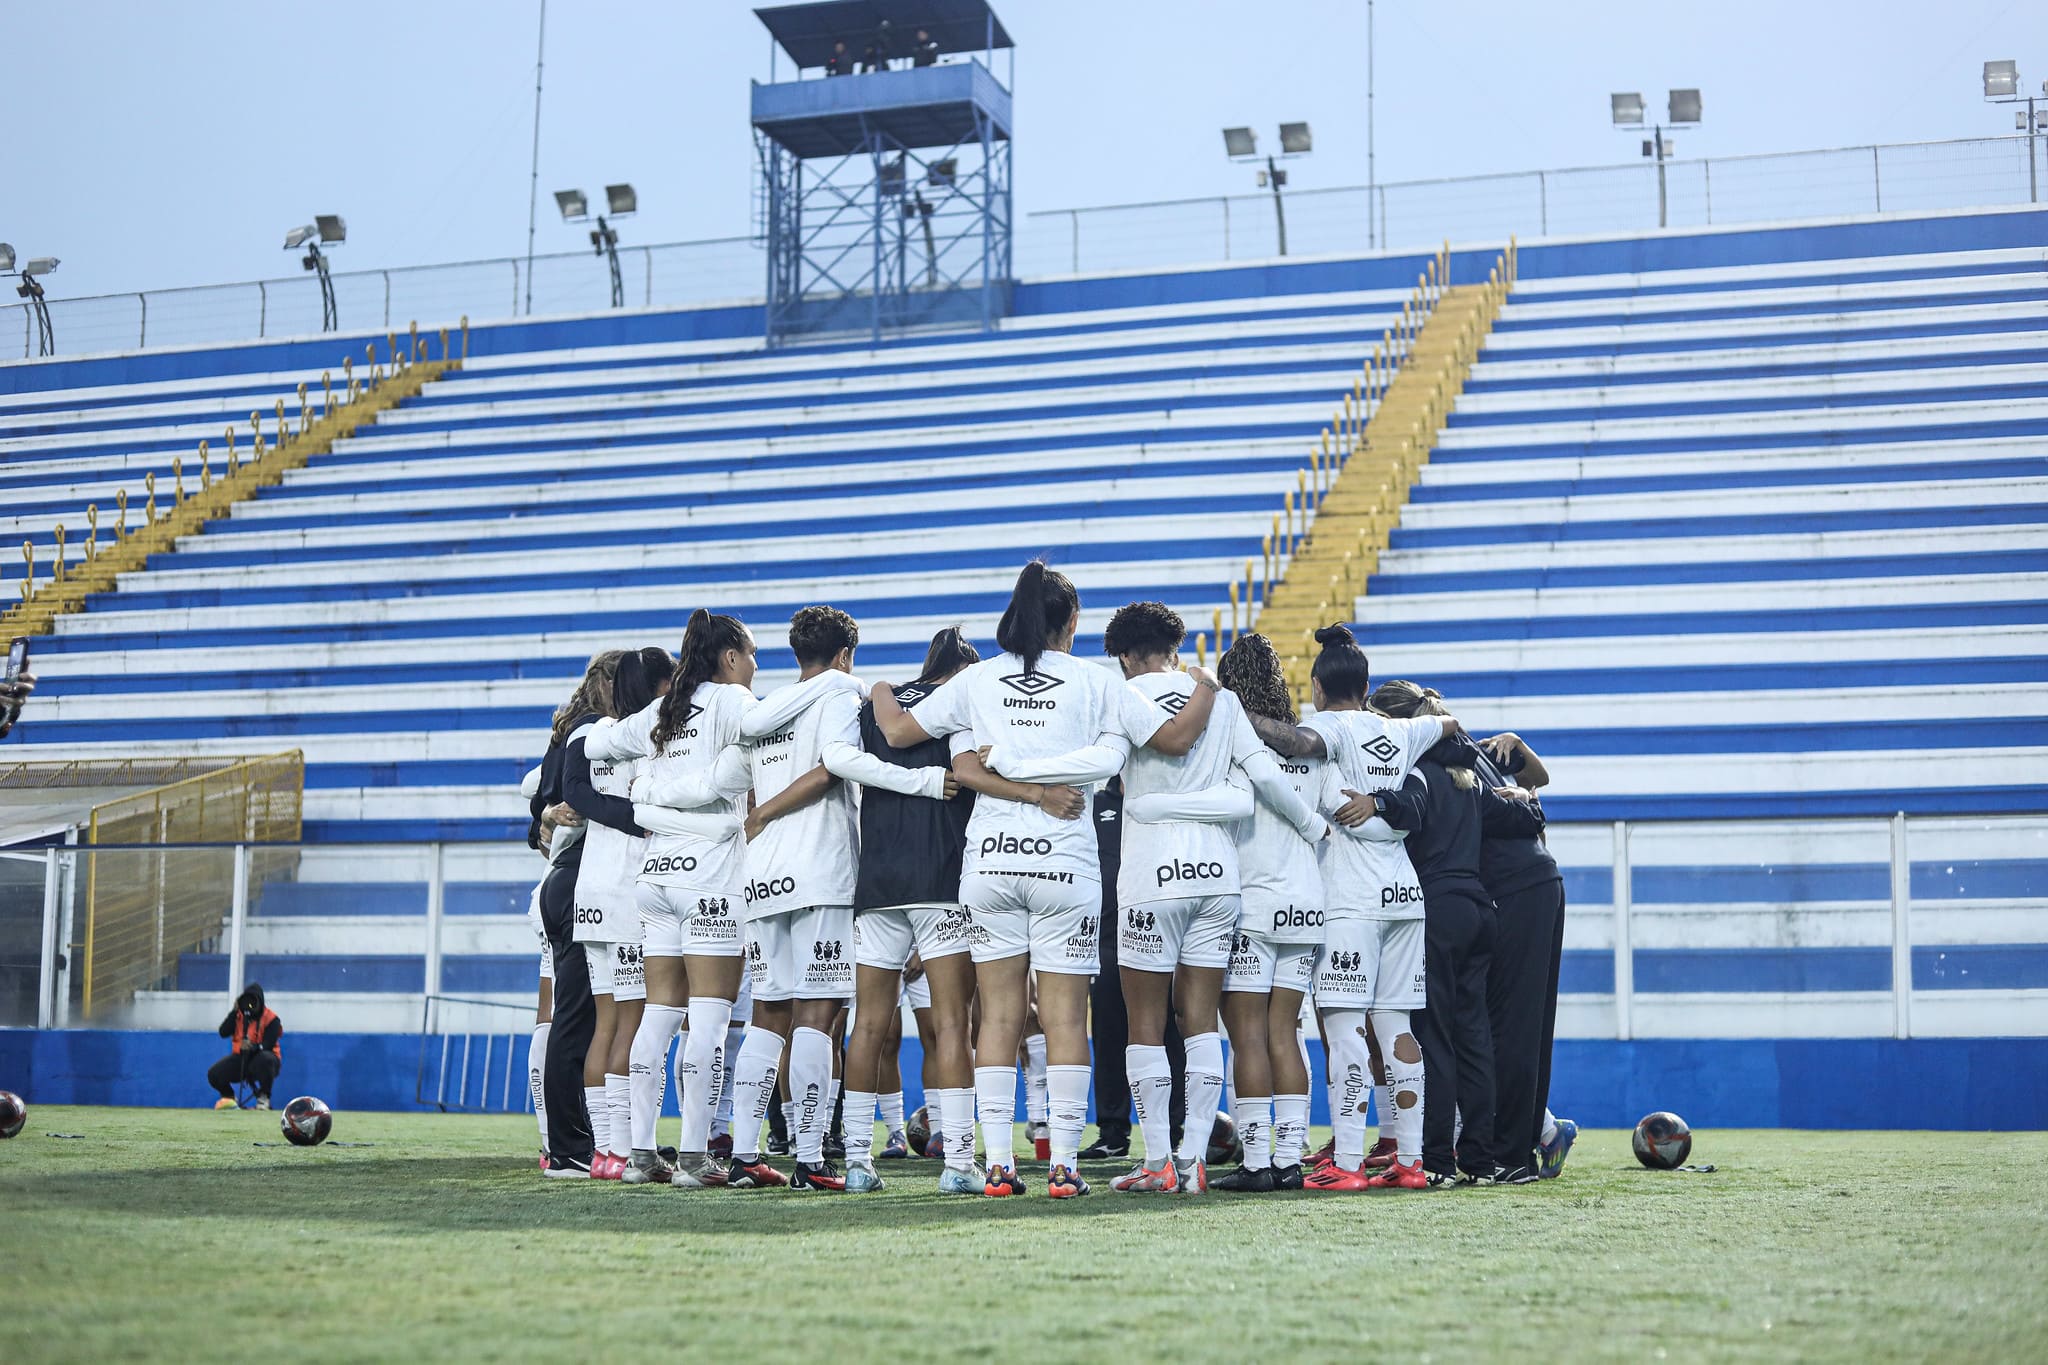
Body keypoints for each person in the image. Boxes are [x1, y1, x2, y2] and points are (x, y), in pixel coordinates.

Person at [870, 561, 1217, 1198]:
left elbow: (896, 731)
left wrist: (880, 687)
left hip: (991, 861)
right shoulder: (1094, 681)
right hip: (1065, 865)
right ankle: (1062, 1164)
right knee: (1061, 1021)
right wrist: (1206, 687)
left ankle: (998, 1164)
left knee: (997, 1017)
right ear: (1073, 622)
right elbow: (1172, 741)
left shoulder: (975, 679)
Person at [1010, 602, 1326, 1195]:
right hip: (1218, 879)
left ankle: (1158, 1161)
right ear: (1174, 649)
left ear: (1127, 656)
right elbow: (1265, 777)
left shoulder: (1122, 696)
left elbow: (1102, 762)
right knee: (1202, 1022)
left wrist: (1025, 767)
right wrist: (1312, 825)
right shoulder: (1224, 702)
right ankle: (1195, 1160)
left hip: (1152, 875)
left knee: (1146, 1023)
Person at [844, 626, 1083, 1194]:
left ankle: (857, 1160)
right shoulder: (965, 714)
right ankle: (958, 1162)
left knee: (869, 1024)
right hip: (941, 879)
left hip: (877, 880)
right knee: (954, 1023)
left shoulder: (881, 703)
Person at [588, 612, 819, 1189]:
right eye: (755, 654)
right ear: (732, 658)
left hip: (656, 876)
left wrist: (650, 797)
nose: (759, 665)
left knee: (658, 1015)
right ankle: (694, 1157)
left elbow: (597, 740)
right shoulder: (736, 703)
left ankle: (640, 1155)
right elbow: (733, 781)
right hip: (710, 877)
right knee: (710, 1023)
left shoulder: (663, 710)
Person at [1240, 625, 1454, 1192]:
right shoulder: (1402, 729)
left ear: (1315, 686)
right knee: (1397, 1026)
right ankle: (1410, 1161)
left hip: (1350, 897)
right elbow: (1449, 724)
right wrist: (1390, 801)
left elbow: (1297, 748)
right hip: (1405, 894)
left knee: (1344, 1029)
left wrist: (1236, 712)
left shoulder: (1327, 729)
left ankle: (1351, 1164)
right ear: (1365, 685)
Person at [1367, 682, 1548, 1186]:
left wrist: (1375, 803)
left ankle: (1437, 1162)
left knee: (1435, 1039)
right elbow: (1528, 815)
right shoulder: (1468, 781)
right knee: (1474, 1040)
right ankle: (1480, 1160)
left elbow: (1407, 812)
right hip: (1479, 912)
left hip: (1437, 912)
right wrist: (1527, 798)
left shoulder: (1417, 775)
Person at [562, 649, 663, 1181]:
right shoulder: (647, 739)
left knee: (605, 1026)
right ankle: (624, 1148)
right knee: (632, 1024)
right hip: (627, 892)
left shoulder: (592, 735)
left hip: (591, 890)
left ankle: (604, 1150)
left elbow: (572, 790)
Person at [528, 652, 627, 1177]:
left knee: (571, 1017)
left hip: (560, 879)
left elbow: (537, 804)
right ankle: (568, 1146)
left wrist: (545, 813)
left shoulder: (565, 731)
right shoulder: (596, 731)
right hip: (581, 879)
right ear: (613, 683)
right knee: (578, 1018)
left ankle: (567, 1141)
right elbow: (564, 801)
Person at [210, 983, 282, 1109]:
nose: (250, 1005)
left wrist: (254, 1047)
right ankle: (229, 1099)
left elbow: (268, 1044)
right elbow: (223, 1032)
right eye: (246, 1001)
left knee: (266, 1058)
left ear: (261, 1002)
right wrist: (234, 1011)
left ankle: (263, 1098)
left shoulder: (272, 1019)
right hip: (241, 1058)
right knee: (214, 1074)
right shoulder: (238, 1015)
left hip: (264, 1061)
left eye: (253, 1001)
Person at [0, 670, 33, 739]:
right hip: (13, 694)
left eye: (7, 728)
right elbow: (20, 703)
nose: (10, 726)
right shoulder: (13, 717)